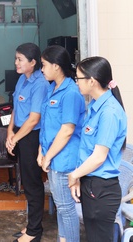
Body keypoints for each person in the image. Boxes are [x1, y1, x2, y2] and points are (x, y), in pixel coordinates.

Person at [68, 56, 127, 242]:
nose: (76, 82)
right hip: (91, 183)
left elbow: (99, 157)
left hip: (101, 189)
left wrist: (74, 175)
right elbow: (86, 149)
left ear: (91, 81)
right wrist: (79, 177)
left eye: (78, 78)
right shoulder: (95, 105)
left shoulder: (109, 111)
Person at [38, 45, 85, 242]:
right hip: (53, 156)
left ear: (56, 66)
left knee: (66, 208)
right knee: (61, 206)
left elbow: (67, 130)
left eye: (44, 65)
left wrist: (48, 156)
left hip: (65, 158)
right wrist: (41, 151)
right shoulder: (52, 89)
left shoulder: (70, 93)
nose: (41, 69)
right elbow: (47, 125)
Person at [6, 43, 49, 242]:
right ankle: (32, 224)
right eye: (16, 58)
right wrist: (9, 131)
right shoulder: (22, 79)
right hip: (19, 134)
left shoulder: (40, 83)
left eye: (20, 59)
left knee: (33, 183)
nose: (16, 62)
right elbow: (16, 108)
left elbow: (33, 119)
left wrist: (15, 138)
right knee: (27, 182)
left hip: (31, 136)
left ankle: (34, 231)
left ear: (33, 62)